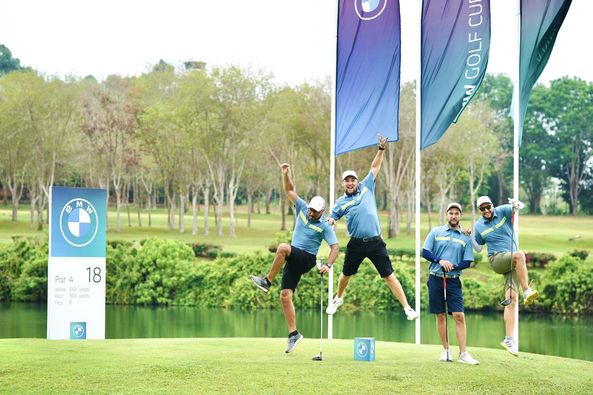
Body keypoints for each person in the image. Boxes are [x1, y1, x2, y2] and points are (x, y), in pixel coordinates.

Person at [326, 134, 418, 320]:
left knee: (389, 276)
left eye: (353, 180)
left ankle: (407, 308)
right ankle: (338, 298)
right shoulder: (341, 202)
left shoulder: (367, 186)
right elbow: (332, 217)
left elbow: (375, 166)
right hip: (356, 244)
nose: (350, 183)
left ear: (357, 181)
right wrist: (330, 221)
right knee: (345, 275)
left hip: (375, 242)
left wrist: (381, 149)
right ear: (343, 183)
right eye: (347, 180)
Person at [249, 163, 339, 354]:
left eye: (315, 211)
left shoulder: (324, 226)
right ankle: (294, 334)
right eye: (310, 209)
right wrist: (285, 174)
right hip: (293, 258)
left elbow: (335, 247)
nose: (311, 212)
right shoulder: (302, 207)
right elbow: (289, 190)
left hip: (307, 259)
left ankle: (267, 281)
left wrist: (329, 265)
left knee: (282, 247)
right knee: (285, 295)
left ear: (322, 211)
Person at [472, 195, 539, 356]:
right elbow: (479, 248)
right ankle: (527, 291)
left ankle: (509, 339)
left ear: (492, 205)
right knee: (520, 256)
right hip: (497, 259)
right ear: (479, 210)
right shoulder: (479, 225)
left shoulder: (502, 211)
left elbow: (519, 207)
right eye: (483, 209)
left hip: (510, 261)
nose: (486, 210)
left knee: (511, 299)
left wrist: (516, 204)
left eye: (488, 207)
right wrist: (469, 236)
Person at [422, 202, 479, 365]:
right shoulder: (436, 232)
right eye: (451, 213)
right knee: (440, 315)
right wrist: (440, 261)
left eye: (457, 213)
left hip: (453, 280)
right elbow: (425, 252)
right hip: (435, 278)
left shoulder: (465, 237)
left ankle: (463, 353)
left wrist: (451, 266)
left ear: (460, 216)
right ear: (446, 215)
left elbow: (468, 261)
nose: (454, 216)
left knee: (459, 316)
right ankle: (446, 350)